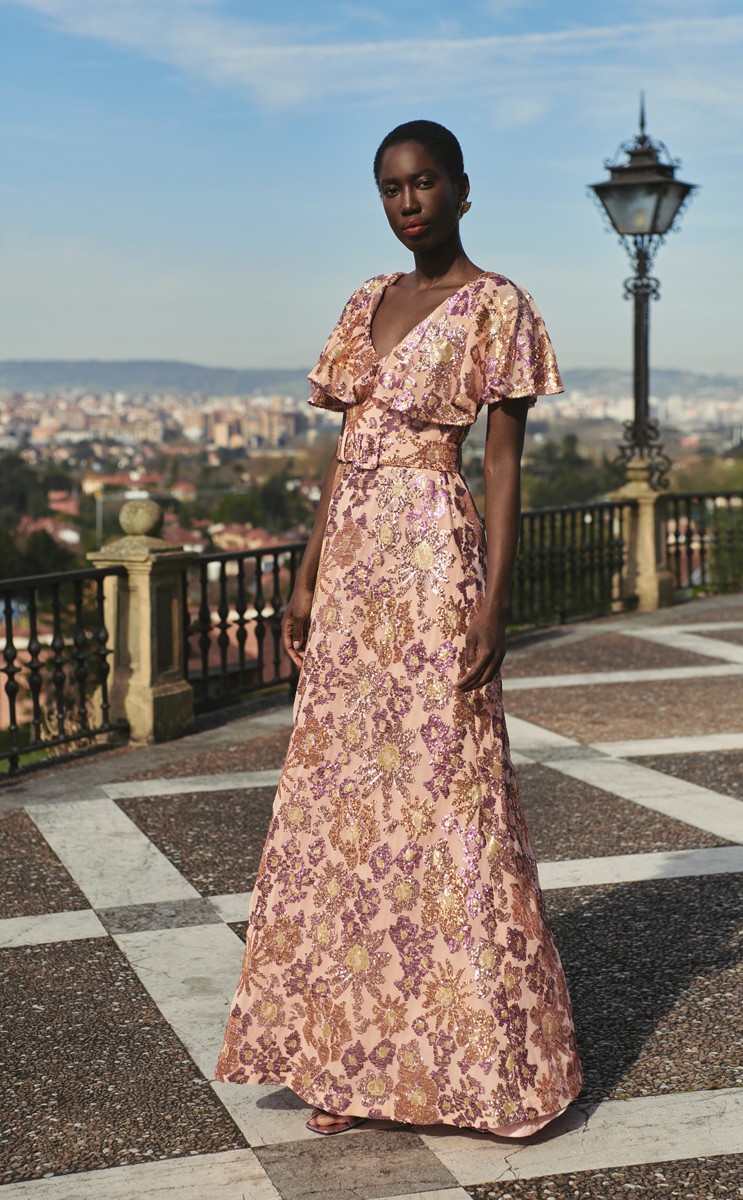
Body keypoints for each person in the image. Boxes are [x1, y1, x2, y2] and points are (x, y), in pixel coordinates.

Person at [216, 119, 583, 1137]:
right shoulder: (364, 301)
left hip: (431, 564)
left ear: (461, 189)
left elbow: (502, 466)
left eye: (423, 183)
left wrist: (493, 600)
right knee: (343, 811)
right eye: (389, 188)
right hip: (350, 576)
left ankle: (480, 1069)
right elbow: (345, 454)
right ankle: (348, 1063)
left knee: (448, 797)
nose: (407, 202)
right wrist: (303, 578)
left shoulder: (497, 306)